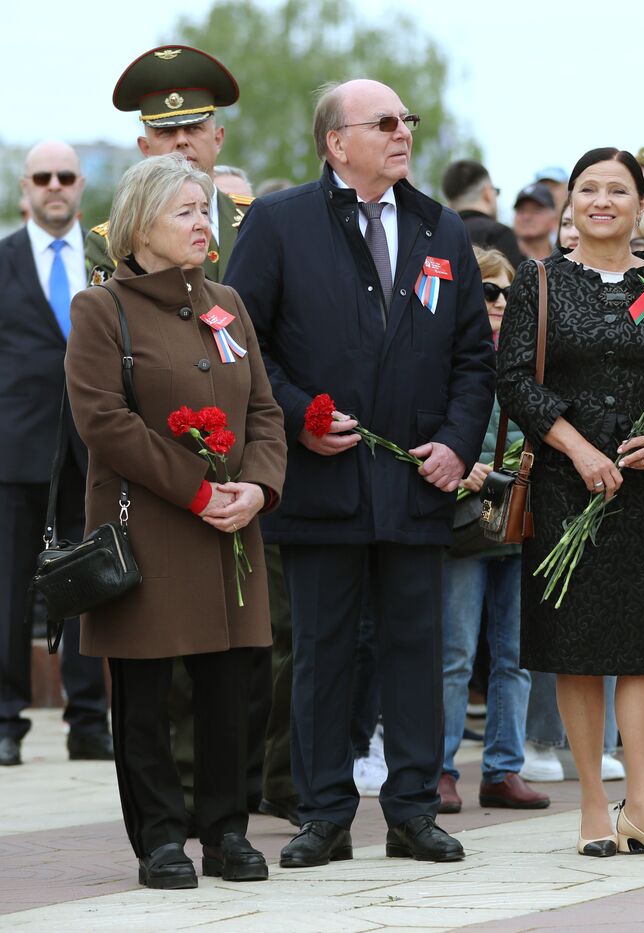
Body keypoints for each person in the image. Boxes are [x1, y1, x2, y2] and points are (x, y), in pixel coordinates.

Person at [226, 79, 495, 868]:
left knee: (416, 651)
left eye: (406, 119)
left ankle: (412, 811)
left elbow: (473, 357)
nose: (402, 131)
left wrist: (457, 442)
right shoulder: (279, 222)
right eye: (383, 122)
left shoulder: (440, 226)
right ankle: (323, 814)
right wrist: (299, 414)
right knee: (323, 654)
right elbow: (243, 343)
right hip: (323, 482)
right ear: (336, 142)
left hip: (416, 482)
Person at [65, 154, 287, 888]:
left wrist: (258, 487)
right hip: (149, 527)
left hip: (231, 531)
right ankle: (160, 839)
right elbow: (104, 421)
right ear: (138, 226)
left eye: (206, 211)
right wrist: (196, 490)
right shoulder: (102, 308)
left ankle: (227, 831)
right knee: (147, 695)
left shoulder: (227, 301)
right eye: (185, 212)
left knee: (232, 688)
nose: (203, 224)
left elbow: (263, 409)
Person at [496, 147, 644, 858]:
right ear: (569, 203)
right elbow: (515, 379)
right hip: (568, 488)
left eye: (618, 190)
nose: (602, 200)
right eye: (588, 189)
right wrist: (577, 449)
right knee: (580, 649)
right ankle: (595, 803)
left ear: (640, 204)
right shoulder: (538, 281)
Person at [0, 142, 113, 767]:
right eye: (41, 176)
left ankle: (89, 722)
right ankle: (5, 721)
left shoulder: (105, 259)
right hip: (15, 450)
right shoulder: (4, 260)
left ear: (79, 184)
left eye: (65, 176)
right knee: (10, 590)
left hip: (92, 446)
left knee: (90, 583)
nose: (53, 185)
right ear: (25, 187)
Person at [438, 247, 549, 815]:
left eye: (509, 292)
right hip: (463, 516)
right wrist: (464, 467)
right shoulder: (445, 354)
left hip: (521, 513)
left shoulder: (533, 357)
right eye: (487, 291)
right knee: (455, 654)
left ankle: (504, 770)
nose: (500, 301)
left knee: (516, 654)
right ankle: (439, 770)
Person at [86, 46, 254, 286]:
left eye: (194, 128)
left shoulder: (259, 219)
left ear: (218, 139)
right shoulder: (115, 240)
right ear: (145, 148)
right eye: (166, 132)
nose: (181, 141)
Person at [441, 159, 524, 267]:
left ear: (449, 201)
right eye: (496, 191)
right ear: (487, 193)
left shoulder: (437, 234)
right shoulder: (499, 234)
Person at [513, 182, 556, 261]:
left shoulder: (567, 257)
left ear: (553, 219)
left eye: (536, 211)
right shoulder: (503, 257)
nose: (527, 217)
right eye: (521, 211)